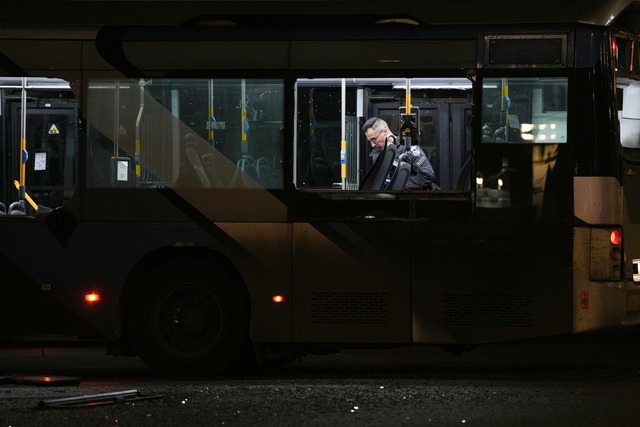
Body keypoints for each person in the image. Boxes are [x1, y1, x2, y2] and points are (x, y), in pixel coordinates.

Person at [362, 117, 437, 190]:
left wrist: (398, 186)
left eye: (374, 139)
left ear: (385, 131)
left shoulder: (408, 148)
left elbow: (427, 175)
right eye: (370, 141)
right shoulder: (376, 155)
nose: (373, 145)